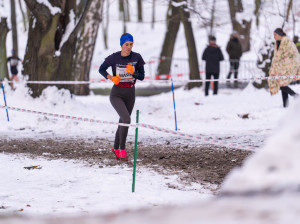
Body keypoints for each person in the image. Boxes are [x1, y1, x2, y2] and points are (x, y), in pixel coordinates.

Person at [99, 33, 145, 161]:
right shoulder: (114, 58)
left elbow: (142, 76)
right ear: (121, 44)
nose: (129, 47)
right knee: (126, 118)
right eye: (126, 44)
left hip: (130, 93)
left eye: (131, 44)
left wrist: (134, 73)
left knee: (123, 122)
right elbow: (101, 69)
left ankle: (115, 147)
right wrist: (111, 78)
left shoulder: (137, 57)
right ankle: (122, 149)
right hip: (117, 94)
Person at [268, 28, 300, 108]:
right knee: (282, 83)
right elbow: (277, 56)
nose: (274, 36)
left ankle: (296, 95)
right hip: (282, 67)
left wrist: (284, 63)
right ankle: (286, 105)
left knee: (282, 84)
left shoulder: (286, 41)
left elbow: (291, 54)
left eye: (275, 35)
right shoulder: (277, 43)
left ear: (279, 34)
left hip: (289, 66)